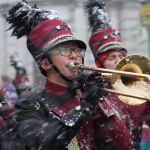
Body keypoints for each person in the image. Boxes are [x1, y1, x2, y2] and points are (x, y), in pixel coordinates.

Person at [5, 0, 132, 150]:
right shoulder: (29, 104)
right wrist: (85, 106)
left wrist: (99, 99)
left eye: (77, 50)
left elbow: (123, 145)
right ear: (45, 63)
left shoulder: (87, 98)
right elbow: (44, 144)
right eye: (65, 50)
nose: (74, 56)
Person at [85, 0, 150, 149]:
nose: (118, 62)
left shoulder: (137, 90)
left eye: (121, 57)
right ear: (99, 64)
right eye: (111, 58)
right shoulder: (92, 91)